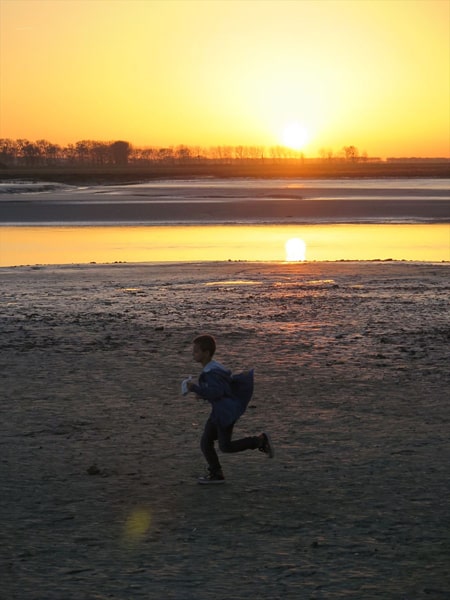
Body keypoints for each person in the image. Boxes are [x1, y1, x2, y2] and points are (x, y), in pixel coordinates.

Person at [186, 334, 274, 484]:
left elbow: (217, 392)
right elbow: (221, 390)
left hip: (225, 413)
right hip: (219, 412)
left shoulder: (211, 373)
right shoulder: (213, 368)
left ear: (206, 353)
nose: (193, 354)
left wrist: (195, 388)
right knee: (206, 442)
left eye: (196, 351)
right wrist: (203, 395)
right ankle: (216, 473)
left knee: (225, 446)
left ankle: (259, 441)